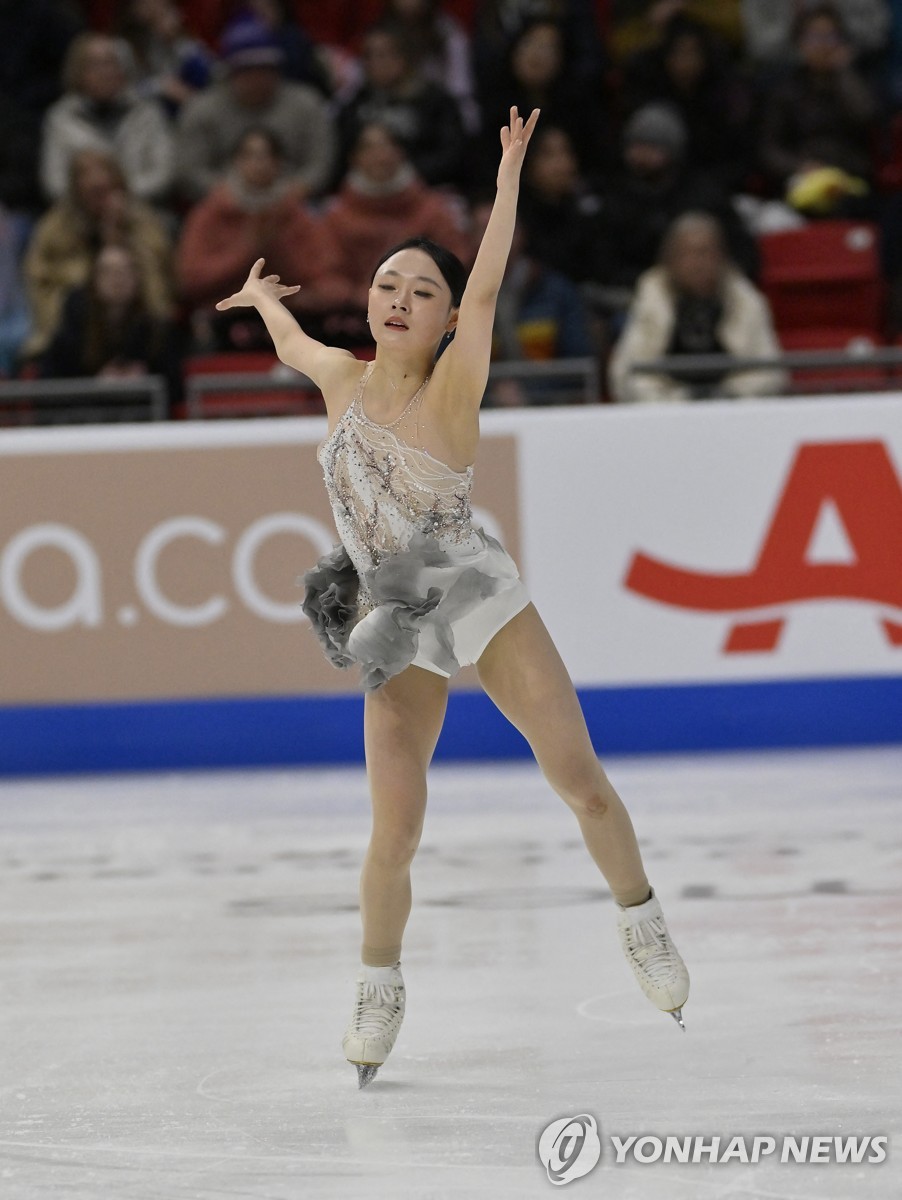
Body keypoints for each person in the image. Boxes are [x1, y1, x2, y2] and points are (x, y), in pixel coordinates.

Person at [214, 107, 690, 1088]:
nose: (398, 297)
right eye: (387, 282)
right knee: (394, 830)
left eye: (419, 289)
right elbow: (295, 343)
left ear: (442, 320)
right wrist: (263, 300)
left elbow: (488, 277)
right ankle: (378, 985)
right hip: (392, 608)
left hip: (469, 583)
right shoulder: (338, 381)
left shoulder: (452, 385)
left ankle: (638, 914)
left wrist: (507, 174)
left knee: (579, 778)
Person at [176, 127, 345, 350]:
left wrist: (281, 256)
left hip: (291, 318)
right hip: (225, 320)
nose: (259, 164)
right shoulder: (210, 214)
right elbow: (190, 282)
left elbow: (328, 277)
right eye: (250, 156)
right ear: (235, 162)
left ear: (279, 164)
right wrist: (247, 251)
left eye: (267, 156)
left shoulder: (296, 215)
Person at [609, 211, 787, 403]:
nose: (698, 264)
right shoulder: (651, 296)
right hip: (667, 410)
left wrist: (730, 397)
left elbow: (770, 371)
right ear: (669, 259)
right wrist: (674, 403)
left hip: (733, 409)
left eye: (705, 252)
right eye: (688, 254)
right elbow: (627, 373)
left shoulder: (745, 298)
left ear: (722, 256)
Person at [22, 148, 173, 360]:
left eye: (105, 191)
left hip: (141, 336)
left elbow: (158, 295)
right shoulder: (53, 231)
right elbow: (42, 291)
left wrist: (117, 238)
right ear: (76, 192)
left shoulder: (145, 225)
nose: (100, 201)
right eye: (92, 193)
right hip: (72, 338)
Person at [174, 16, 335, 203]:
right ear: (230, 73)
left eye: (265, 69)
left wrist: (296, 189)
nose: (257, 78)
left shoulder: (306, 103)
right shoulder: (202, 110)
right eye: (247, 70)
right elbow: (188, 170)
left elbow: (321, 162)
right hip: (224, 206)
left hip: (294, 203)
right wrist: (233, 194)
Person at [39, 32, 176, 204]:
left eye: (111, 63)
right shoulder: (60, 118)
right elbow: (54, 183)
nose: (106, 72)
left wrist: (121, 196)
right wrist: (93, 200)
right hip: (77, 215)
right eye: (95, 65)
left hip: (141, 209)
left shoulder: (147, 113)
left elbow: (163, 174)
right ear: (78, 72)